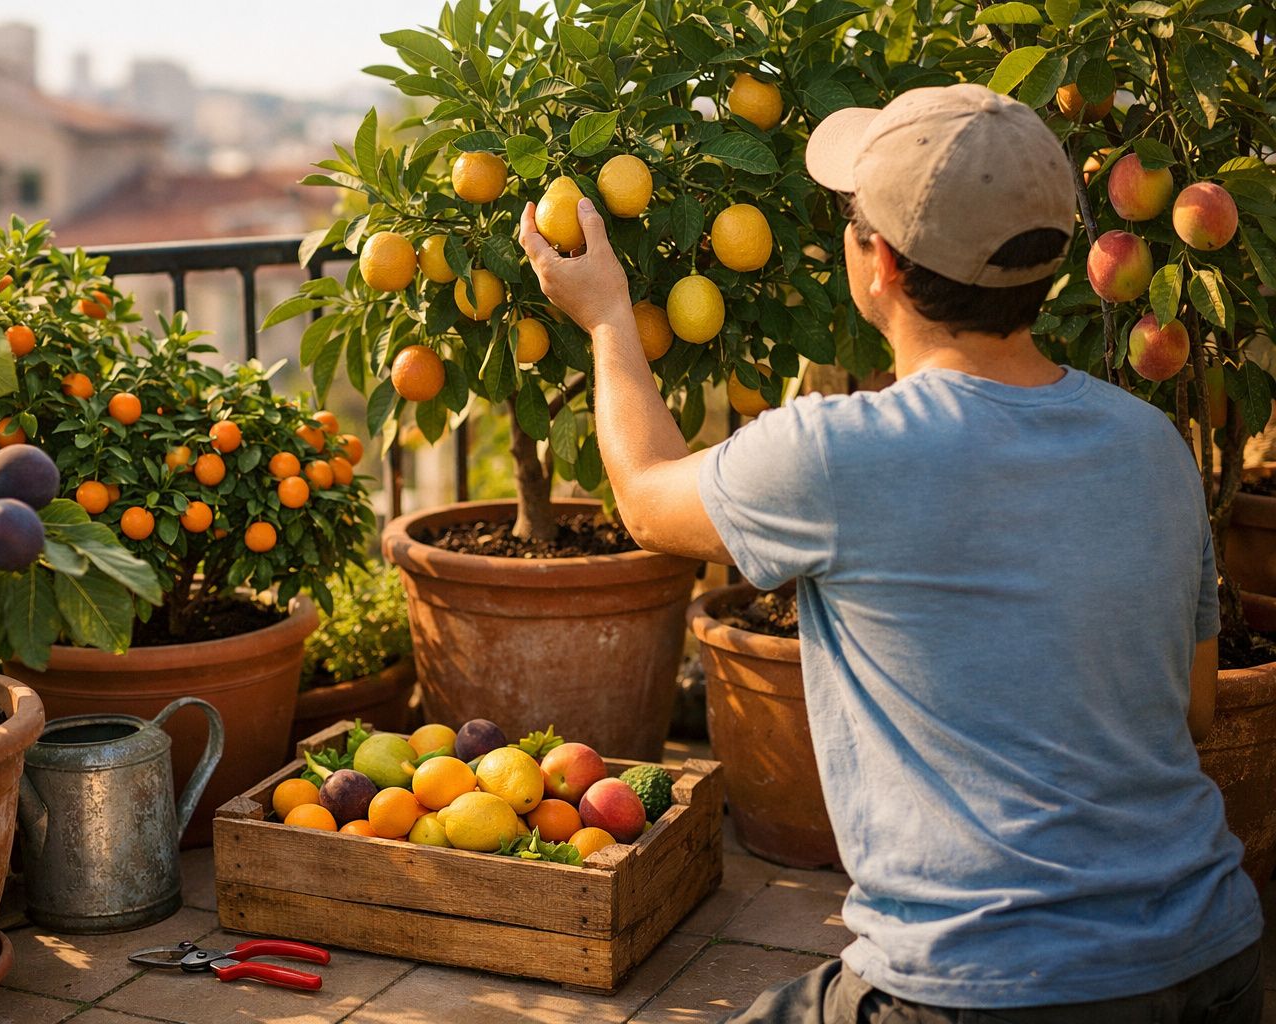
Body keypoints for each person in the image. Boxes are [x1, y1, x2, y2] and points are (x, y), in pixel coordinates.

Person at [517, 83, 1263, 1023]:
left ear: (882, 267)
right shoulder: (1151, 446)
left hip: (977, 990)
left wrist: (607, 319)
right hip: (1214, 961)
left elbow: (642, 496)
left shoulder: (839, 454)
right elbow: (1191, 712)